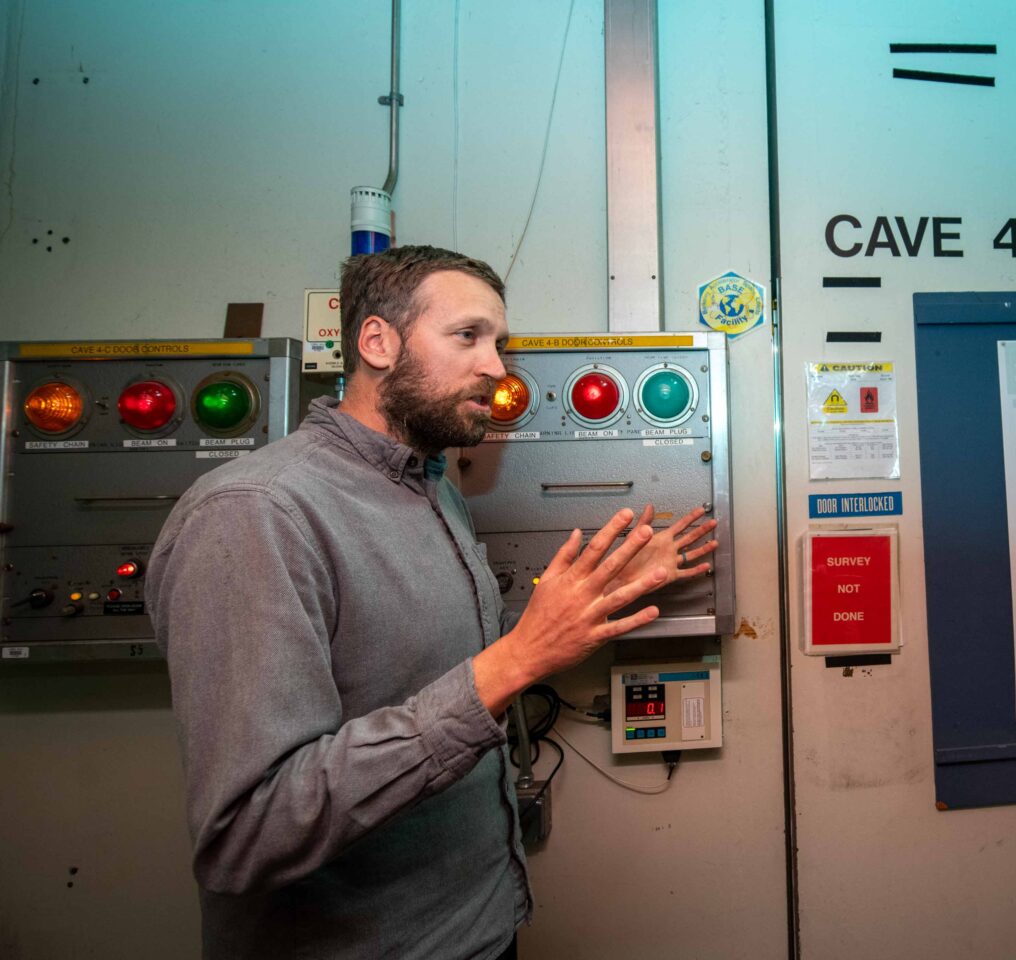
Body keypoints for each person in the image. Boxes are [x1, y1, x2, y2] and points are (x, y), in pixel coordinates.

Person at [147, 244, 718, 960]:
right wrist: (514, 663)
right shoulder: (255, 514)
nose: (497, 369)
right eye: (468, 336)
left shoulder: (429, 485)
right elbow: (249, 832)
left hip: (478, 928)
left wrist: (606, 592)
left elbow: (432, 664)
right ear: (377, 342)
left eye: (500, 344)